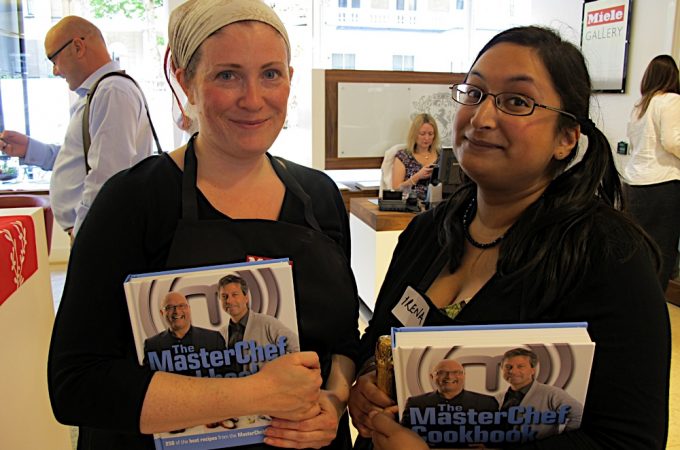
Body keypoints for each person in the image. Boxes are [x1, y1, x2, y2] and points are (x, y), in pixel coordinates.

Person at [47, 1, 359, 449]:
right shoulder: (132, 202)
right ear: (185, 80)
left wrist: (332, 401)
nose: (253, 99)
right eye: (226, 75)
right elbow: (76, 383)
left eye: (271, 73)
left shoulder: (320, 196)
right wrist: (252, 393)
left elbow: (343, 340)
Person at [349, 25, 670, 450]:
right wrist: (369, 381)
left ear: (566, 138)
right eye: (475, 93)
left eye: (516, 101)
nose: (482, 118)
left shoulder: (607, 256)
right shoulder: (429, 231)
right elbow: (379, 342)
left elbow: (629, 439)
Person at [0, 16, 157, 237]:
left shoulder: (112, 91)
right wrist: (29, 149)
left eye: (53, 59)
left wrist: (84, 233)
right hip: (97, 233)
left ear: (77, 46)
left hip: (99, 235)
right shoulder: (100, 92)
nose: (55, 70)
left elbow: (106, 175)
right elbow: (82, 161)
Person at [624, 54, 680, 291]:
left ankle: (635, 301)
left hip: (635, 184)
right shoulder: (670, 100)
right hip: (662, 185)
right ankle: (654, 309)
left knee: (639, 251)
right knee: (662, 253)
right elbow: (673, 141)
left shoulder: (641, 105)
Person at [218, 273, 300, 372]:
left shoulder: (268, 323)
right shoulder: (221, 334)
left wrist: (276, 373)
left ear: (246, 298)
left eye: (235, 295)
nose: (229, 301)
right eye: (224, 296)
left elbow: (296, 348)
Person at [497, 348, 582, 440]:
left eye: (520, 366)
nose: (512, 371)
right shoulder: (498, 398)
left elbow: (578, 415)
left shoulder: (552, 394)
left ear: (533, 370)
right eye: (508, 367)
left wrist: (562, 442)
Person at [400, 359, 498, 437]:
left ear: (464, 376)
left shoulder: (487, 403)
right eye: (442, 372)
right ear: (432, 377)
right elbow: (403, 437)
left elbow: (499, 438)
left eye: (456, 372)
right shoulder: (415, 403)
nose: (449, 376)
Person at [143, 292, 226, 376]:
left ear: (189, 309)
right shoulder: (152, 345)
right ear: (162, 313)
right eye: (170, 307)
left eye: (181, 306)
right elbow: (148, 380)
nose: (176, 311)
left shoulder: (213, 339)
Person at [391, 113, 441, 200]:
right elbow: (396, 189)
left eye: (430, 134)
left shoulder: (441, 155)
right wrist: (417, 176)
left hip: (439, 203)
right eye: (422, 134)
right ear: (414, 134)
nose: (427, 138)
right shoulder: (403, 156)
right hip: (413, 203)